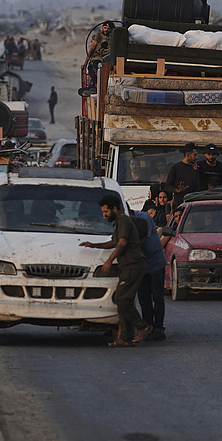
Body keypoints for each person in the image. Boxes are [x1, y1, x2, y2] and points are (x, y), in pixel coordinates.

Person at [79, 194, 151, 346]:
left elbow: (122, 242)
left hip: (133, 265)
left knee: (121, 299)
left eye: (106, 212)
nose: (104, 215)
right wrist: (94, 245)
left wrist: (109, 260)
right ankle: (125, 338)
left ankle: (143, 326)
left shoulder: (123, 220)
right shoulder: (118, 222)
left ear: (115, 209)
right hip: (128, 266)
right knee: (124, 300)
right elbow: (114, 242)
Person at [133, 209, 167, 341]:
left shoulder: (144, 217)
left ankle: (159, 328)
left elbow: (139, 239)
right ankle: (148, 327)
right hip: (141, 265)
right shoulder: (123, 220)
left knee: (157, 297)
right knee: (144, 299)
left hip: (155, 262)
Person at [165, 143, 200, 207]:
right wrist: (177, 190)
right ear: (188, 155)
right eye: (194, 155)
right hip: (179, 204)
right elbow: (168, 186)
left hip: (193, 205)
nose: (196, 158)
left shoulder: (195, 168)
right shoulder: (175, 168)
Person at [83, 21, 114, 89]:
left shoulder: (113, 38)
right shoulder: (98, 36)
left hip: (107, 60)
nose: (106, 30)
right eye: (105, 28)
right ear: (102, 28)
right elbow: (92, 49)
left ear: (111, 29)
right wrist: (85, 63)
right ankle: (97, 88)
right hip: (96, 58)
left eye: (108, 28)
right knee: (92, 67)